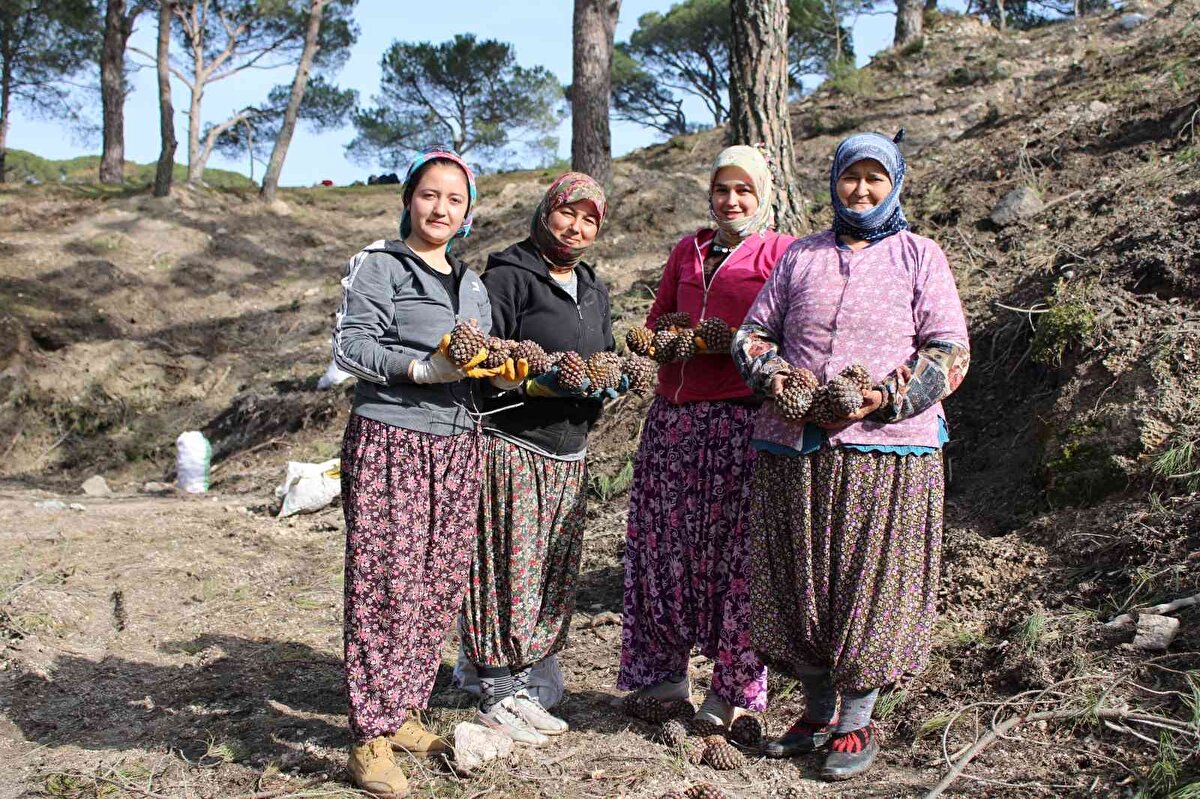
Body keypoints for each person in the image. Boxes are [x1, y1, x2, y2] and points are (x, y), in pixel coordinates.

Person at [732, 131, 970, 780]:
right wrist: (777, 380)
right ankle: (813, 710)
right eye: (849, 177)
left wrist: (877, 399)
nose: (860, 190)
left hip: (888, 453)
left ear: (895, 184)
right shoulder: (800, 257)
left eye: (874, 178)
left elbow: (949, 353)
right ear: (832, 181)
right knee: (798, 581)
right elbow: (751, 336)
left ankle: (856, 717)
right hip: (794, 447)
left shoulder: (920, 256)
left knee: (872, 582)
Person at [333, 146, 513, 798]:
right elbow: (349, 344)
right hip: (391, 439)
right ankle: (368, 739)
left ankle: (404, 710)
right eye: (430, 194)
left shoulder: (470, 283)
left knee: (435, 585)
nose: (441, 207)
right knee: (385, 582)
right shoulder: (380, 264)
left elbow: (480, 354)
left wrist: (500, 368)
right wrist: (417, 368)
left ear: (468, 213)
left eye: (454, 199)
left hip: (457, 444)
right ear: (410, 197)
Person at [619, 145, 797, 729]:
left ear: (764, 194)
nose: (732, 200)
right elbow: (658, 321)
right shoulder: (687, 250)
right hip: (674, 421)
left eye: (744, 190)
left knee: (736, 560)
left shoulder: (783, 254)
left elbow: (792, 335)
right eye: (722, 190)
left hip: (742, 423)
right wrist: (661, 342)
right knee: (663, 549)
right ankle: (662, 680)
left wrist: (739, 345)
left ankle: (732, 693)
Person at [459, 172, 614, 746]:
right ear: (544, 212)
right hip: (513, 445)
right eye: (566, 213)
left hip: (570, 452)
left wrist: (606, 382)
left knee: (551, 573)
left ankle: (526, 675)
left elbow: (601, 358)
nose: (576, 227)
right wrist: (532, 383)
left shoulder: (594, 288)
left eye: (590, 218)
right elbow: (480, 356)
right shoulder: (507, 277)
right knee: (505, 568)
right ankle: (495, 686)